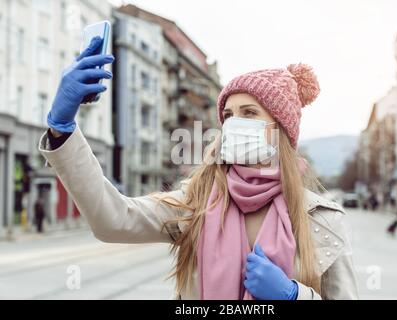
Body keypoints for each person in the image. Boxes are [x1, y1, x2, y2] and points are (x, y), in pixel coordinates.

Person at [38, 37, 358, 300]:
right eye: (229, 115)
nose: (234, 124)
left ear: (281, 131)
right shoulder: (197, 202)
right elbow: (113, 219)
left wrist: (293, 296)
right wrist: (62, 130)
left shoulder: (322, 219)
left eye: (249, 112)